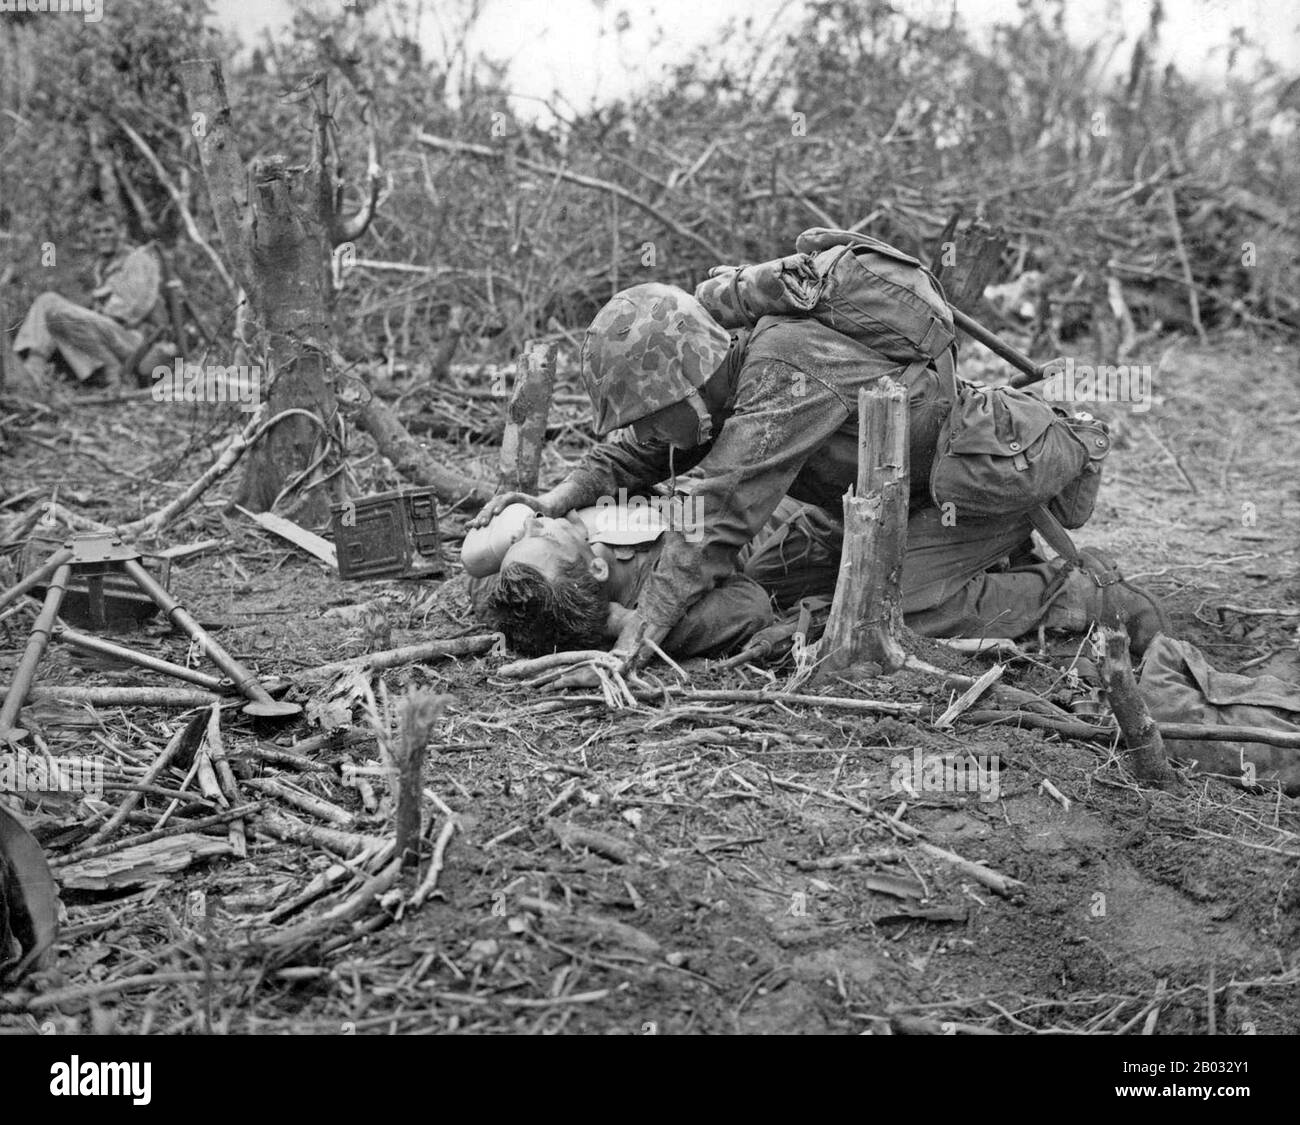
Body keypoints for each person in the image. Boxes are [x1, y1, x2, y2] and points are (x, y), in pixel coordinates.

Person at [469, 283, 1168, 664]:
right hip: (894, 498)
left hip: (978, 485)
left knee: (891, 609)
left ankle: (1078, 593)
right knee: (782, 579)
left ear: (685, 385)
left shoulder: (779, 370)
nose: (647, 434)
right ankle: (973, 565)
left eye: (651, 415)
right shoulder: (720, 383)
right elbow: (640, 453)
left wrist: (640, 630)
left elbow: (718, 514)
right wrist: (555, 497)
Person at [15, 209, 169, 389]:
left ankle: (112, 373)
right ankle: (33, 370)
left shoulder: (137, 259)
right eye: (97, 231)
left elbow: (127, 312)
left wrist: (88, 306)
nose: (103, 236)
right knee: (49, 306)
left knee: (54, 308)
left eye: (108, 230)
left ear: (121, 231)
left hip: (131, 338)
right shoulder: (100, 267)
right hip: (105, 334)